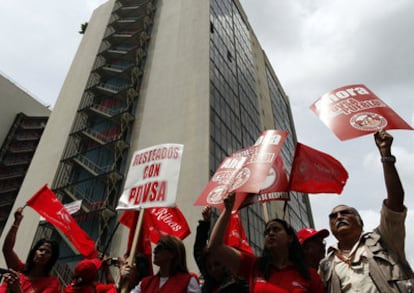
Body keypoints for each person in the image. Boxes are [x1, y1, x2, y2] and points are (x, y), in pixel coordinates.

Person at [319, 130, 414, 292]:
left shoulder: (384, 240)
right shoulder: (326, 265)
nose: (339, 217)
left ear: (360, 222)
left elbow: (395, 202)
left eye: (345, 213)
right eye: (333, 216)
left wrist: (386, 156)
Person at [208, 193, 324, 292]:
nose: (270, 233)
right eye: (267, 232)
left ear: (290, 238)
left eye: (276, 229)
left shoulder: (310, 275)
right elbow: (215, 247)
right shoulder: (254, 266)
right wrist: (227, 211)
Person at [1, 207, 61, 292]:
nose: (43, 253)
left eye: (48, 252)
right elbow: (7, 249)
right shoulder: (18, 269)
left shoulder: (52, 283)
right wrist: (16, 222)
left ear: (52, 258)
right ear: (34, 252)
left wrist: (16, 289)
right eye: (40, 249)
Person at [193, 206, 249, 293]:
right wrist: (205, 223)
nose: (213, 269)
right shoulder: (209, 284)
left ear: (226, 261)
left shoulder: (240, 285)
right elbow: (198, 250)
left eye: (217, 264)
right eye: (209, 267)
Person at [130, 235, 201, 292]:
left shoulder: (188, 281)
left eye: (159, 248)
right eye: (155, 248)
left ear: (172, 253)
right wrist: (120, 281)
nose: (155, 251)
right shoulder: (145, 283)